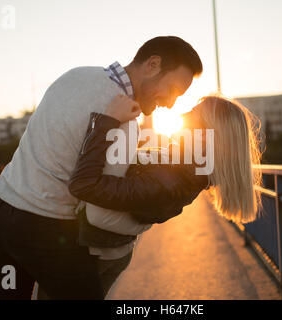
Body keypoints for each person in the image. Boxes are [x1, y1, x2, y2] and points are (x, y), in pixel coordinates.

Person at [0, 36, 203, 300]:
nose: (170, 103)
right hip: (44, 228)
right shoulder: (122, 118)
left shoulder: (75, 75)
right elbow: (100, 200)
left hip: (0, 217)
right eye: (173, 91)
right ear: (152, 64)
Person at [49, 94, 264, 298]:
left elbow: (87, 186)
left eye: (192, 113)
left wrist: (107, 120)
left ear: (208, 134)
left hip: (94, 253)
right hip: (101, 248)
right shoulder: (179, 167)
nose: (182, 116)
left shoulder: (173, 177)